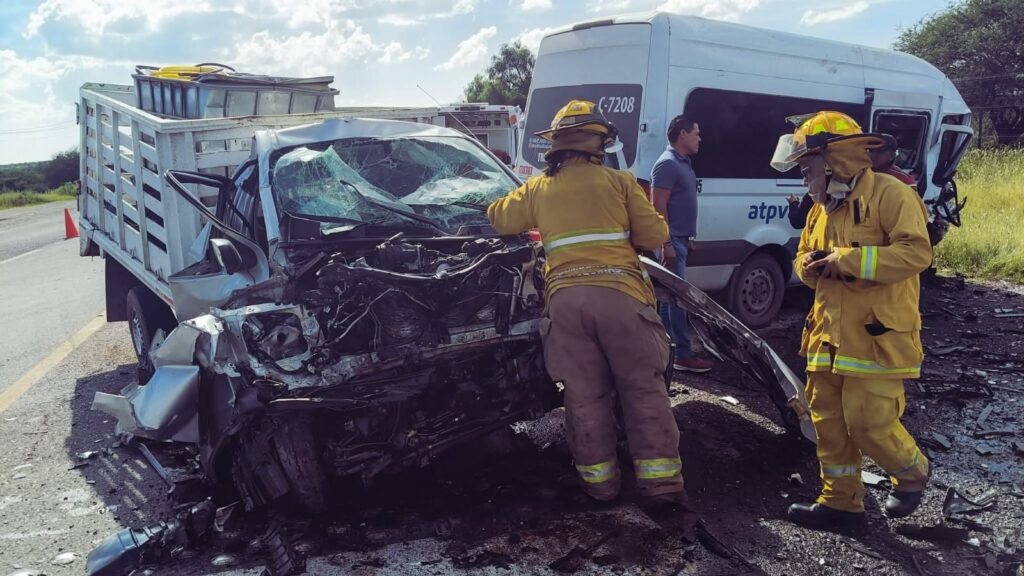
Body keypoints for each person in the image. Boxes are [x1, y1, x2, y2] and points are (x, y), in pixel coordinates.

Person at [487, 100, 687, 506]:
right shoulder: (620, 182)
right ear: (599, 143)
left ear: (556, 145)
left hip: (565, 305)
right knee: (642, 389)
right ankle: (662, 487)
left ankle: (599, 487)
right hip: (621, 298)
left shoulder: (539, 188)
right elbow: (652, 236)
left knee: (582, 395)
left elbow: (497, 218)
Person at [769, 111, 933, 531]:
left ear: (833, 161)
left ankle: (912, 473)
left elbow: (918, 254)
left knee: (868, 422)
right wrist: (808, 264)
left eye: (808, 168)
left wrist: (851, 260)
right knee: (827, 422)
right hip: (827, 335)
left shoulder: (892, 195)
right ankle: (840, 504)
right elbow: (802, 262)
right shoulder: (821, 210)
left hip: (876, 335)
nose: (805, 178)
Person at [651, 115, 714, 372]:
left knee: (669, 299)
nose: (700, 138)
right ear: (683, 134)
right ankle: (683, 354)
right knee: (678, 299)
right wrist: (666, 243)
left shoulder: (683, 163)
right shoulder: (666, 164)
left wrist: (687, 238)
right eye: (696, 133)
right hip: (670, 240)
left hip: (679, 239)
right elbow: (658, 207)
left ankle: (668, 351)